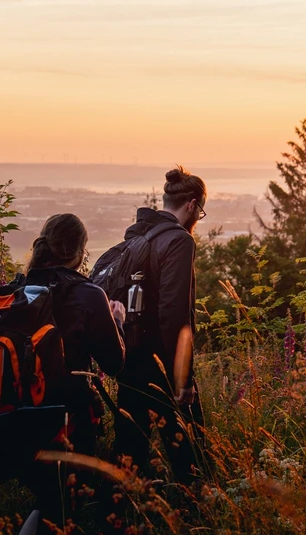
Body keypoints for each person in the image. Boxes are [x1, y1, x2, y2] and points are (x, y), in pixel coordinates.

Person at [19, 213, 126, 532]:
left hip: (19, 418)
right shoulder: (90, 295)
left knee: (50, 501)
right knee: (63, 507)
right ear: (80, 251)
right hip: (69, 422)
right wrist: (117, 320)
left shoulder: (19, 291)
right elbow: (114, 363)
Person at [113, 166, 207, 485]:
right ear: (192, 205)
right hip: (160, 364)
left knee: (130, 449)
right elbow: (174, 314)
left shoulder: (138, 236)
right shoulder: (179, 241)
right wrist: (183, 377)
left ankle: (119, 510)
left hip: (130, 356)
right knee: (190, 449)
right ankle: (198, 509)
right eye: (201, 211)